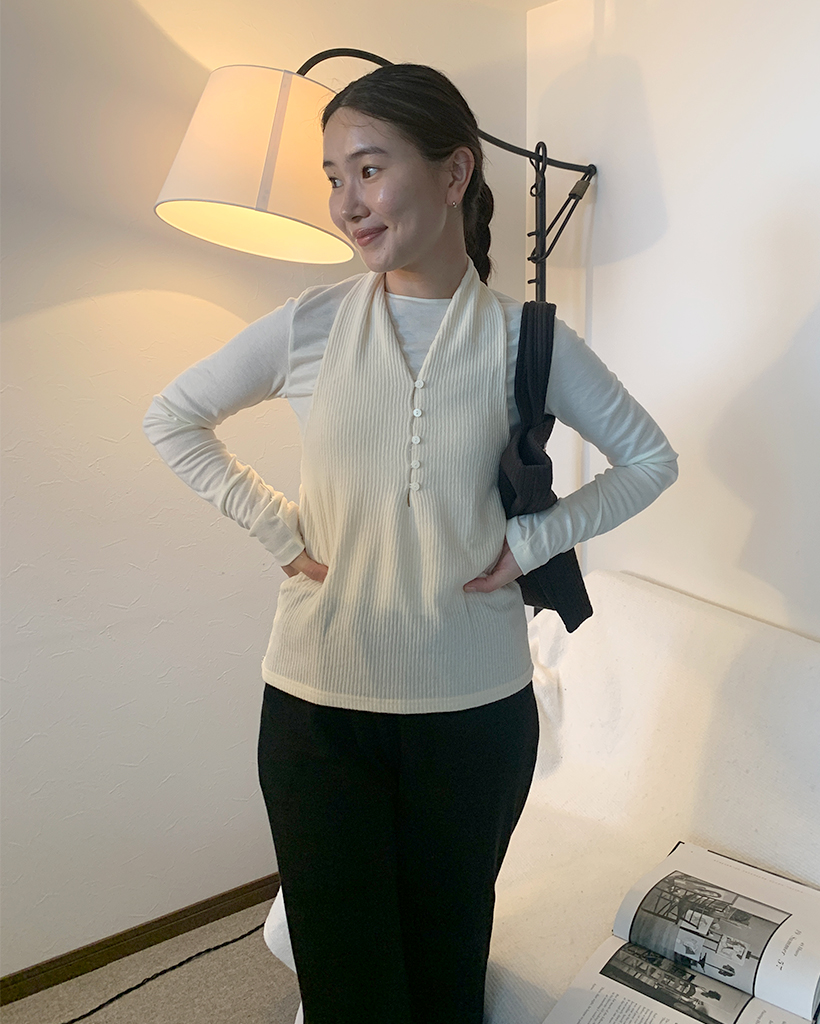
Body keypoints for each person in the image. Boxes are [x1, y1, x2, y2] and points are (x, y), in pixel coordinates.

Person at [143, 63, 678, 1024]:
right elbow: (173, 418)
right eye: (333, 176)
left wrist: (533, 541)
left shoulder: (528, 340)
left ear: (454, 172)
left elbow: (649, 459)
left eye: (369, 168)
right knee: (347, 986)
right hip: (318, 715)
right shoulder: (308, 325)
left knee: (443, 974)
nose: (346, 203)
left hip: (475, 717)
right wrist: (277, 529)